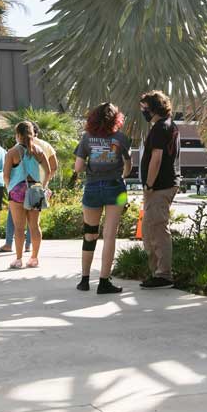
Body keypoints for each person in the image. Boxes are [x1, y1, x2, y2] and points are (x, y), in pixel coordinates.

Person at [73, 102, 132, 294]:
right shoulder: (121, 138)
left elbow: (78, 167)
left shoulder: (87, 138)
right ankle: (104, 282)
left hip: (92, 188)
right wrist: (121, 175)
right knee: (109, 235)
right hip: (116, 188)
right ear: (116, 119)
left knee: (90, 234)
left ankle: (84, 280)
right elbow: (128, 166)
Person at [138, 90, 179, 289]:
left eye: (145, 108)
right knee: (150, 228)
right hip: (162, 185)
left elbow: (157, 158)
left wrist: (149, 184)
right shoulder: (168, 125)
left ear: (154, 108)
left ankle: (163, 275)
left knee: (158, 229)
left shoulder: (161, 128)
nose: (142, 111)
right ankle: (156, 272)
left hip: (159, 186)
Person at [3, 121, 52, 268]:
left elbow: (6, 175)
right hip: (35, 188)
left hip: (18, 190)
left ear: (18, 135)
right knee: (34, 226)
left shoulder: (12, 152)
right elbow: (48, 171)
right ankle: (34, 258)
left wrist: (9, 188)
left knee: (19, 227)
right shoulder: (38, 150)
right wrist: (42, 186)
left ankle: (18, 260)